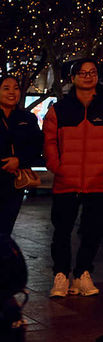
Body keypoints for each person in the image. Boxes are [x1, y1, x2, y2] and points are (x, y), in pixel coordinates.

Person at [43, 57, 103, 298]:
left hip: (97, 181)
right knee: (61, 231)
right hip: (65, 181)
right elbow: (49, 140)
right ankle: (61, 275)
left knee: (93, 231)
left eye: (92, 72)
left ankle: (82, 274)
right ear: (72, 78)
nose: (88, 76)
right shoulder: (58, 109)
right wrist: (56, 166)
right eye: (82, 72)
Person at [0, 74, 41, 242]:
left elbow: (37, 146)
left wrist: (19, 160)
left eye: (15, 88)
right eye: (6, 88)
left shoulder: (27, 118)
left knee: (4, 230)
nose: (12, 92)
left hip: (14, 183)